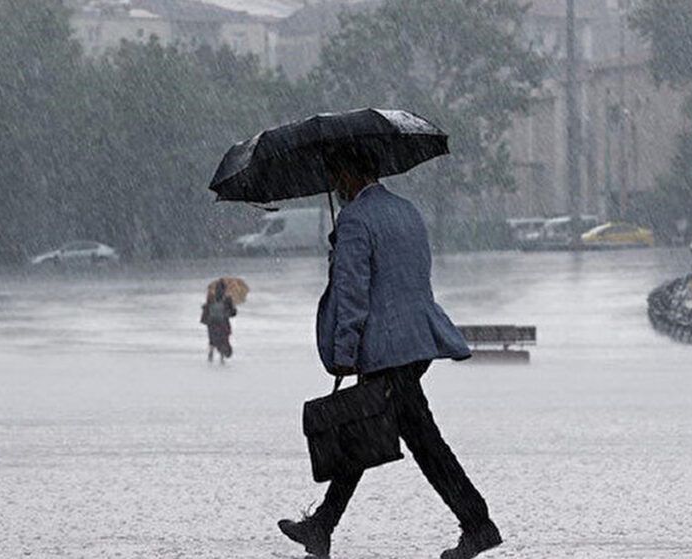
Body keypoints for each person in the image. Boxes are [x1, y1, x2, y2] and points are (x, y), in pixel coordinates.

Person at [277, 145, 501, 559]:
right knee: (367, 430)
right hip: (416, 342)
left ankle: (478, 524)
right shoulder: (407, 211)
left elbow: (353, 293)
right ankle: (322, 526)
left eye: (335, 175)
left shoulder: (356, 219)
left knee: (420, 441)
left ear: (349, 172)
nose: (334, 185)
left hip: (385, 349)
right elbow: (410, 276)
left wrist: (344, 350)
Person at [201, 280, 237, 363]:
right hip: (223, 322)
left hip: (212, 322)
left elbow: (206, 309)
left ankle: (211, 354)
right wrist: (232, 310)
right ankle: (221, 357)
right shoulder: (227, 299)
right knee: (223, 339)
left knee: (212, 339)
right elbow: (232, 313)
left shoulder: (211, 298)